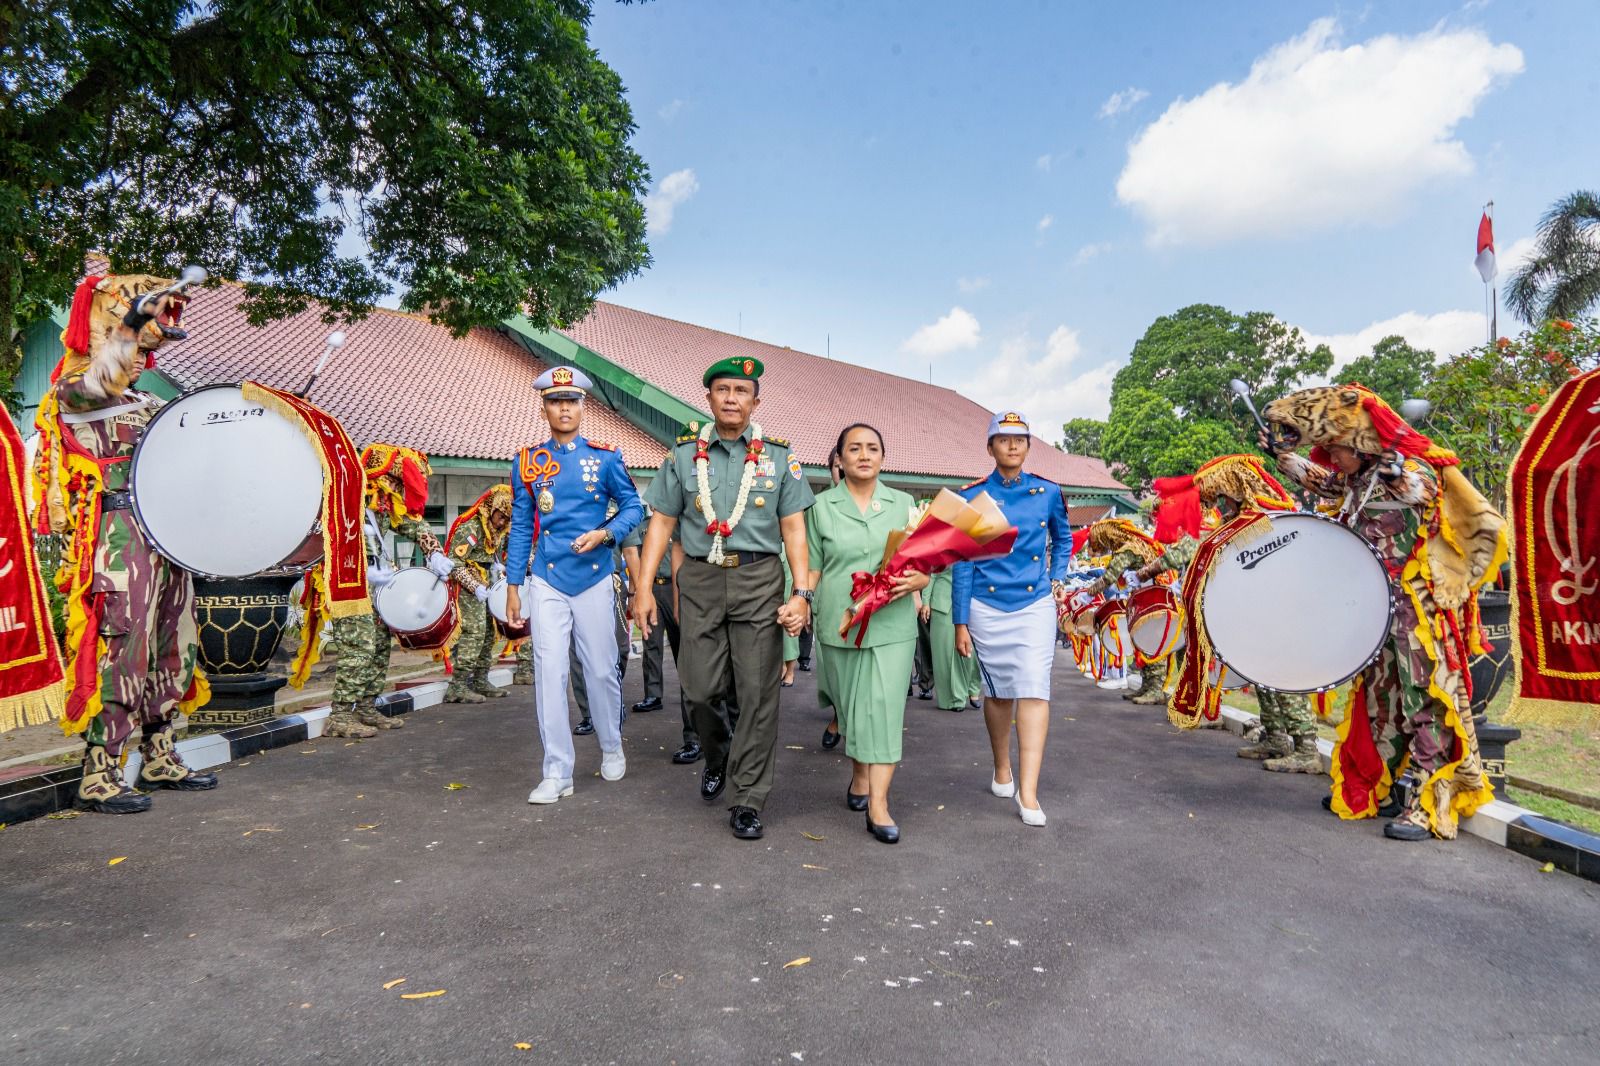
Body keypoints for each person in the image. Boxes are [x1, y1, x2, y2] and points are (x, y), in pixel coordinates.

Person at [1263, 385, 1505, 841]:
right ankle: (1383, 784)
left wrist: (1395, 467)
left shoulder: (1407, 468)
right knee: (1379, 701)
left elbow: (1420, 489)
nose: (1331, 457)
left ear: (1360, 444)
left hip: (1416, 614)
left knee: (1422, 699)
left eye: (1336, 447)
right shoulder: (1356, 477)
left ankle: (1425, 800)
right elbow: (1323, 481)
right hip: (1374, 611)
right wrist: (1284, 457)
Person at [32, 274, 216, 812]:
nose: (140, 357)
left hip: (167, 539)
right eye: (130, 342)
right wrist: (134, 320)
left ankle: (160, 753)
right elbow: (99, 383)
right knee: (124, 649)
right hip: (119, 539)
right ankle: (100, 771)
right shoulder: (74, 391)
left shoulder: (144, 402)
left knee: (172, 646)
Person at [635, 356, 815, 841]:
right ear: (709, 398)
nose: (731, 398)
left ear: (756, 401)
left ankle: (747, 798)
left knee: (757, 695)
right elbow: (662, 524)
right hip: (699, 581)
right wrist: (644, 589)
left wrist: (801, 593)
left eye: (741, 390)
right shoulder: (680, 457)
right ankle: (718, 754)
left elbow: (794, 530)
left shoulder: (780, 459)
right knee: (698, 688)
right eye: (722, 390)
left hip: (758, 580)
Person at [505, 366, 643, 804]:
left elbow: (633, 508)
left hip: (596, 576)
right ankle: (557, 771)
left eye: (571, 400)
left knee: (601, 669)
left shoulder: (605, 458)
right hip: (547, 577)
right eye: (555, 400)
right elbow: (522, 526)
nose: (563, 407)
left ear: (583, 406)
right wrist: (513, 583)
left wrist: (605, 535)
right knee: (549, 672)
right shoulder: (526, 461)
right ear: (544, 406)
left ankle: (610, 744)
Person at [1149, 454, 1319, 768]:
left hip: (1278, 613)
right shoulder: (1237, 521)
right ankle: (1276, 737)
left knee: (1281, 676)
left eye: (1224, 496)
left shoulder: (1271, 519)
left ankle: (1306, 749)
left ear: (1236, 489)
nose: (1221, 504)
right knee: (1262, 677)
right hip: (1255, 612)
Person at [804, 424, 925, 844]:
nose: (863, 455)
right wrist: (799, 601)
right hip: (839, 622)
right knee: (852, 709)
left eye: (872, 448)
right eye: (853, 448)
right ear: (839, 458)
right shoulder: (819, 507)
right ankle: (858, 776)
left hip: (891, 624)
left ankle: (879, 805)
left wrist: (922, 579)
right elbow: (813, 567)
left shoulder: (905, 504)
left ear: (883, 457)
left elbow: (926, 559)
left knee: (885, 710)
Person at [952, 411, 1072, 827]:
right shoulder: (973, 497)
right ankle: (1001, 766)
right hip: (987, 605)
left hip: (1034, 602)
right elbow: (962, 561)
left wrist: (1057, 577)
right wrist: (960, 620)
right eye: (1004, 439)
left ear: (1028, 446)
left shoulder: (1048, 491)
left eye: (1021, 439)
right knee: (999, 693)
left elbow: (1064, 538)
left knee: (1035, 689)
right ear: (991, 447)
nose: (1013, 445)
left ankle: (1030, 792)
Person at [330, 443, 483, 739]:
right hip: (348, 588)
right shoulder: (348, 500)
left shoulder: (383, 506)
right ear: (385, 479)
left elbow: (416, 526)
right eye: (398, 485)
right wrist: (361, 570)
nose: (399, 495)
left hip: (375, 589)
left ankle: (365, 707)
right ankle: (339, 714)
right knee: (358, 649)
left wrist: (435, 553)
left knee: (378, 647)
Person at [570, 513, 641, 735]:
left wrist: (636, 591)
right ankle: (589, 713)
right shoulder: (572, 507)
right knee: (578, 652)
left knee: (620, 646)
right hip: (575, 583)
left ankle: (612, 700)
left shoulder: (619, 512)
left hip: (611, 583)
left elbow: (630, 552)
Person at [442, 484, 513, 704]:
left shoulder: (498, 531)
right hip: (468, 587)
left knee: (489, 634)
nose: (502, 523)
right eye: (500, 517)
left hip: (488, 584)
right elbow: (454, 562)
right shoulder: (471, 528)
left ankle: (481, 679)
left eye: (506, 520)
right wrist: (474, 586)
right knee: (474, 632)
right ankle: (458, 685)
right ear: (492, 510)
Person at [924, 570, 980, 712]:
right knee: (944, 655)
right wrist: (925, 602)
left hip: (971, 604)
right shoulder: (939, 547)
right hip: (943, 603)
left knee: (971, 651)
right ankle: (953, 699)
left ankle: (973, 688)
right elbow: (931, 573)